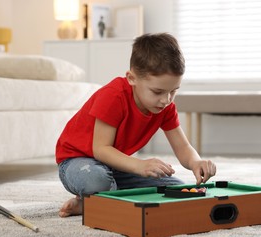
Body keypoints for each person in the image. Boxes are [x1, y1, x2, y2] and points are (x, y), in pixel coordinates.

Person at [55, 33, 217, 217]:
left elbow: (183, 147)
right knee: (96, 181)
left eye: (174, 91)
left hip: (116, 167)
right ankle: (92, 201)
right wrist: (140, 166)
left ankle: (99, 200)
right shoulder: (113, 96)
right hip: (77, 161)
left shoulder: (165, 106)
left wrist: (196, 162)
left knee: (176, 190)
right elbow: (101, 149)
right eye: (158, 91)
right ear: (132, 78)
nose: (166, 100)